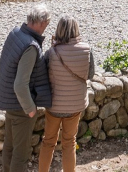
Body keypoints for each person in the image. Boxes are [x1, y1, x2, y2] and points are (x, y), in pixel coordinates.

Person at [0, 3, 53, 172]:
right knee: (20, 154)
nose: (46, 29)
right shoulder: (31, 46)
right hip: (21, 107)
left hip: (8, 101)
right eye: (47, 25)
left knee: (9, 147)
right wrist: (31, 109)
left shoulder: (15, 33)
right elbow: (20, 84)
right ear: (41, 23)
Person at [38, 16, 94, 172]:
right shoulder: (87, 49)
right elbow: (90, 75)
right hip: (75, 104)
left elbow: (43, 75)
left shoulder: (52, 52)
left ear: (59, 30)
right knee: (69, 142)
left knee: (48, 141)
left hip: (55, 105)